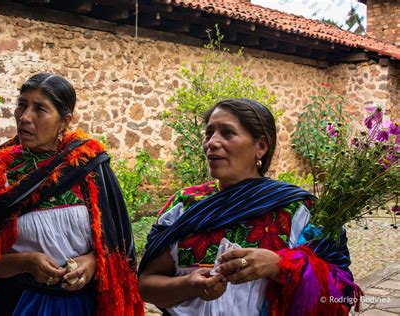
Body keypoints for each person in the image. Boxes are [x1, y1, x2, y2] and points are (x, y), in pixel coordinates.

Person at [138, 98, 361, 315]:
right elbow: (146, 285)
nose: (211, 143)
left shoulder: (299, 210)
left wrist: (279, 266)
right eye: (209, 133)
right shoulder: (184, 205)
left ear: (261, 147)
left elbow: (341, 297)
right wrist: (190, 285)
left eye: (227, 133)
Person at [0, 73, 143, 315]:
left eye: (40, 109)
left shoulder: (89, 165)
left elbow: (117, 242)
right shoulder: (0, 170)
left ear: (64, 120)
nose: (25, 117)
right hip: (19, 303)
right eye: (22, 105)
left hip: (84, 304)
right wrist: (27, 263)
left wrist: (92, 262)